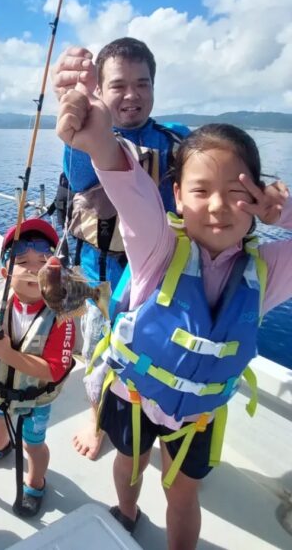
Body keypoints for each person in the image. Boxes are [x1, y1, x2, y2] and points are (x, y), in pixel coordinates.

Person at [56, 83, 292, 549]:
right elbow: (130, 190)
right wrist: (101, 140)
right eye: (201, 191)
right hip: (134, 398)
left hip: (198, 417)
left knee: (184, 496)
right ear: (178, 197)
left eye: (236, 192)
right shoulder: (157, 246)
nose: (219, 206)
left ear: (259, 199)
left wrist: (287, 215)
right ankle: (125, 511)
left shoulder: (269, 269)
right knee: (129, 463)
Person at [53, 37, 190, 460]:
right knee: (99, 351)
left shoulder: (178, 139)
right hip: (102, 278)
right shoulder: (83, 135)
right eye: (118, 85)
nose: (131, 95)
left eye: (142, 84)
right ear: (99, 89)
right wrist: (81, 113)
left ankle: (166, 421)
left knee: (159, 354)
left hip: (162, 276)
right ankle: (98, 419)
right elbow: (79, 180)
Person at [0, 218, 75, 518]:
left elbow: (55, 370)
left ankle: (35, 482)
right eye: (23, 261)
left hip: (34, 400)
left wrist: (6, 353)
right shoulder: (0, 303)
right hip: (0, 390)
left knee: (33, 446)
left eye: (43, 261)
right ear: (6, 272)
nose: (34, 269)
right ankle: (0, 444)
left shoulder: (61, 316)